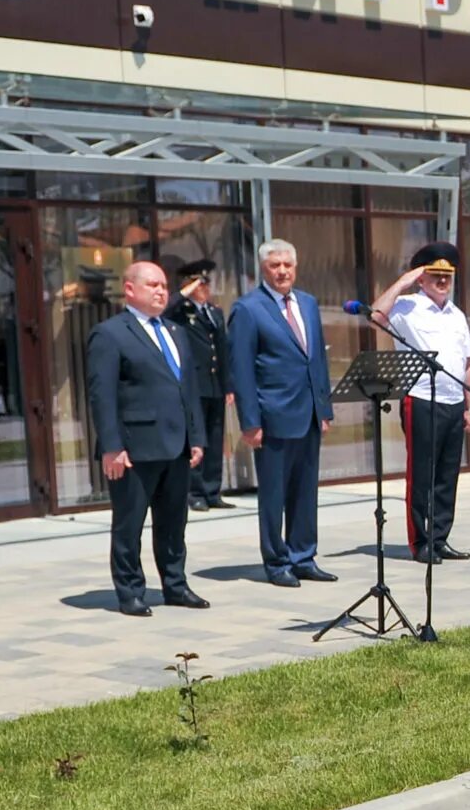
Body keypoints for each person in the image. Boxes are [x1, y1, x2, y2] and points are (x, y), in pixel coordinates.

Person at [86, 260, 209, 617]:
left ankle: (176, 584)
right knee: (130, 523)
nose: (161, 291)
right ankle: (130, 591)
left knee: (174, 522)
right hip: (134, 447)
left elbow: (189, 389)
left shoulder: (176, 330)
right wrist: (112, 446)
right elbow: (101, 395)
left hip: (176, 444)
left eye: (163, 286)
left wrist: (196, 437)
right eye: (152, 285)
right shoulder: (110, 334)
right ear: (129, 290)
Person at [228, 238, 335, 586]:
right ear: (263, 268)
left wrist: (325, 408)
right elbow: (241, 369)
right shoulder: (248, 309)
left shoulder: (308, 303)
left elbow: (317, 359)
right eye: (275, 265)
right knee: (274, 494)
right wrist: (250, 421)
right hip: (272, 418)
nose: (282, 271)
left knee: (306, 491)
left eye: (288, 265)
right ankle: (276, 562)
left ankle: (303, 556)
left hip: (309, 415)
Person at [370, 242, 470, 563]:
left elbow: (468, 363)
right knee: (421, 475)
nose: (442, 281)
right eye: (435, 275)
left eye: (447, 276)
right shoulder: (405, 307)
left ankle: (441, 538)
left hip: (453, 401)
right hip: (420, 400)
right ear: (422, 278)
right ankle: (420, 543)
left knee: (447, 476)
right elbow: (374, 315)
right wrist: (403, 281)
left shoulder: (457, 315)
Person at [166, 259, 235, 511]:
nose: (205, 287)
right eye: (199, 283)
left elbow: (223, 350)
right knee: (198, 438)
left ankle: (212, 490)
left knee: (216, 438)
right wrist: (184, 291)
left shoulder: (214, 312)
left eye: (206, 283)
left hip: (214, 384)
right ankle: (194, 491)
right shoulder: (180, 311)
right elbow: (165, 308)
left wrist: (228, 385)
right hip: (194, 385)